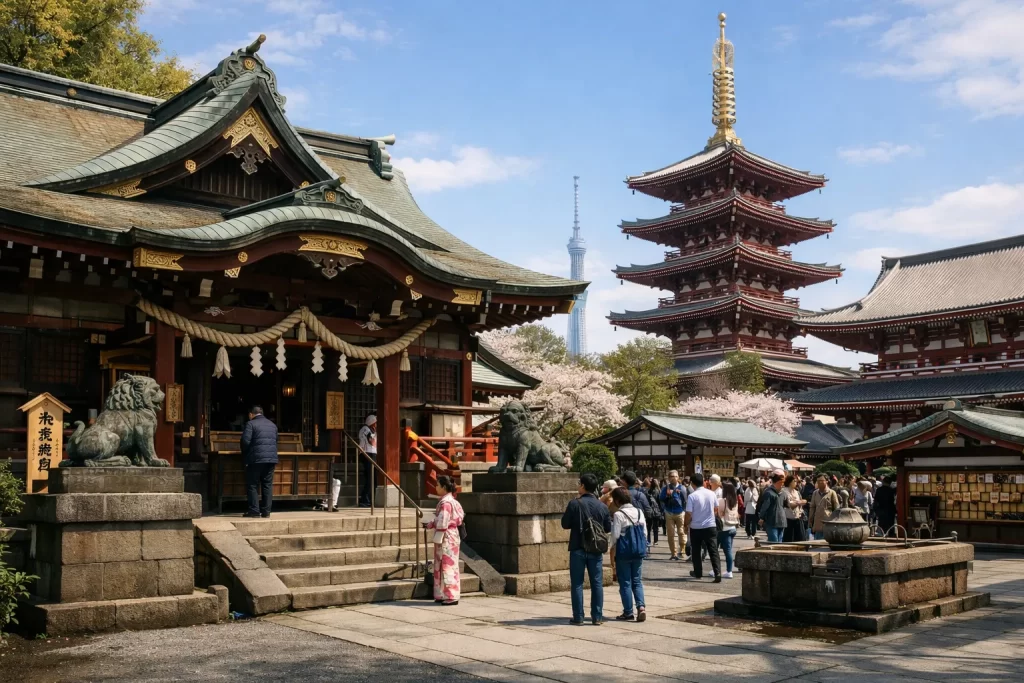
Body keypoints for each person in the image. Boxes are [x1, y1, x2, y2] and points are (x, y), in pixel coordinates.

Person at [561, 473, 613, 626]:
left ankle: (578, 617)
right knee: (596, 583)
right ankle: (597, 616)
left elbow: (565, 524)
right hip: (595, 548)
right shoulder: (602, 506)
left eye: (579, 484)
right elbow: (607, 528)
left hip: (578, 547)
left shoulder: (574, 504)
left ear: (583, 486)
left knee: (577, 583)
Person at [424, 475, 464, 605]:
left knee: (446, 565)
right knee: (447, 564)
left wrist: (432, 523)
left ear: (444, 487)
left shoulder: (445, 503)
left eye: (437, 485)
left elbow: (442, 522)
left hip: (446, 536)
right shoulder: (453, 501)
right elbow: (459, 518)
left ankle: (450, 595)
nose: (436, 487)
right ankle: (443, 593)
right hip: (452, 535)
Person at [609, 487, 647, 622]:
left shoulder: (619, 514)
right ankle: (641, 607)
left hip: (624, 552)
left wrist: (611, 549)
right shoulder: (639, 512)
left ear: (617, 500)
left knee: (625, 582)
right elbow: (644, 533)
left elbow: (615, 536)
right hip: (638, 551)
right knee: (637, 581)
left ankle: (628, 612)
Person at [240, 405, 278, 518]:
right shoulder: (273, 425)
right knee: (267, 485)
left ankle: (254, 511)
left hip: (255, 459)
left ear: (251, 414)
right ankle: (266, 512)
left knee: (252, 485)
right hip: (270, 459)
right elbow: (276, 441)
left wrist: (245, 454)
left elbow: (245, 442)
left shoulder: (250, 424)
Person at [685, 472, 721, 583]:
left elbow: (689, 513)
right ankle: (717, 572)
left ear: (692, 483)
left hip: (696, 527)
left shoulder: (692, 496)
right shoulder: (711, 493)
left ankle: (698, 572)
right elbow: (716, 508)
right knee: (713, 550)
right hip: (710, 526)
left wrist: (686, 524)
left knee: (696, 550)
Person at [660, 470, 687, 560]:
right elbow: (661, 498)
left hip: (680, 512)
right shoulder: (666, 488)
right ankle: (673, 553)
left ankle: (682, 550)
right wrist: (667, 495)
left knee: (681, 532)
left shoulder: (682, 488)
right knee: (670, 534)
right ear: (669, 478)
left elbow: (685, 500)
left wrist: (684, 511)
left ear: (678, 477)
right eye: (671, 476)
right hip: (669, 512)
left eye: (675, 476)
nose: (674, 478)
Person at [717, 481, 741, 579]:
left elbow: (718, 513)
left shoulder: (722, 501)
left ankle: (727, 571)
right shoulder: (735, 501)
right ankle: (728, 570)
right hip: (732, 527)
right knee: (728, 550)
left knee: (717, 549)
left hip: (724, 528)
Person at [808, 474, 841, 540]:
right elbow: (812, 508)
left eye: (822, 480)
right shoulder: (815, 493)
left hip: (828, 523)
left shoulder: (832, 493)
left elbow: (836, 509)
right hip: (817, 523)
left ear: (826, 481)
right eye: (818, 481)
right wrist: (810, 521)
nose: (820, 482)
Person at [758, 473, 788, 543]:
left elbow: (786, 504)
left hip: (782, 520)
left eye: (783, 483)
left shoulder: (783, 493)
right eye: (781, 482)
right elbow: (764, 507)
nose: (782, 484)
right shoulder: (769, 493)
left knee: (779, 543)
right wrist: (761, 517)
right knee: (773, 542)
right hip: (772, 521)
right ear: (777, 482)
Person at [357, 414, 377, 507]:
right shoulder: (365, 429)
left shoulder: (371, 430)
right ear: (372, 422)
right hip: (367, 453)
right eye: (375, 422)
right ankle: (364, 499)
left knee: (372, 478)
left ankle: (369, 498)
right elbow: (371, 441)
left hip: (372, 453)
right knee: (370, 477)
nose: (376, 424)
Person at [782, 475, 808, 542]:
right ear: (790, 482)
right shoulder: (784, 491)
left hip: (798, 518)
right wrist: (799, 502)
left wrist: (798, 502)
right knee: (788, 540)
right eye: (794, 481)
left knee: (800, 539)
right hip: (788, 519)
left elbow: (804, 501)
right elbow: (790, 505)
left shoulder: (797, 492)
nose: (796, 482)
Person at [646, 478, 663, 548]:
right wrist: (661, 511)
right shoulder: (658, 491)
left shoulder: (647, 491)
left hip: (649, 511)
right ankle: (655, 541)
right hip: (656, 511)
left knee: (648, 527)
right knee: (655, 527)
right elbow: (660, 502)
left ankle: (648, 540)